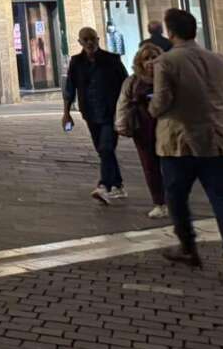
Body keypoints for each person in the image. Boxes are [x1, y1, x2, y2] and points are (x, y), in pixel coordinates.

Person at [149, 7, 223, 279]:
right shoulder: (220, 60)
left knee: (176, 197)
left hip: (180, 141)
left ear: (170, 32)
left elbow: (161, 102)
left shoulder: (167, 61)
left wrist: (150, 108)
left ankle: (188, 246)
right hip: (219, 138)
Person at [63, 26, 129, 205]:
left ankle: (103, 185)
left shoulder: (112, 60)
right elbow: (70, 87)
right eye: (85, 39)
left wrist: (125, 109)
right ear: (80, 42)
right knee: (102, 150)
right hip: (90, 113)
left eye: (92, 38)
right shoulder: (76, 62)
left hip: (110, 113)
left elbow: (126, 85)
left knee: (106, 147)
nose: (90, 42)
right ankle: (118, 184)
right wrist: (66, 113)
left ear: (98, 39)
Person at [116, 43, 167, 218]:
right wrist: (122, 126)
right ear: (140, 62)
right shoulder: (133, 81)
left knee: (170, 166)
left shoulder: (168, 78)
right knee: (150, 166)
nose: (151, 62)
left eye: (154, 57)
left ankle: (172, 200)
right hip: (143, 128)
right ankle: (159, 202)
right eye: (146, 59)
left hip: (167, 127)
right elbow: (123, 104)